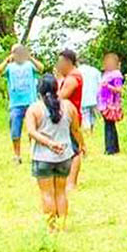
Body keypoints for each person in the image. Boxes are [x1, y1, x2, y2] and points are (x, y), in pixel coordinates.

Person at [24, 74, 86, 232]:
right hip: (64, 156)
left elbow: (31, 132)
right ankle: (63, 225)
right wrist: (82, 145)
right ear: (57, 88)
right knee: (61, 192)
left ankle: (51, 228)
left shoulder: (34, 109)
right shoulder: (68, 106)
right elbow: (76, 130)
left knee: (47, 193)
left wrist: (49, 143)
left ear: (39, 90)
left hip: (42, 157)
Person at [0, 44, 43, 164]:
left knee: (33, 129)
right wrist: (7, 59)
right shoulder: (10, 67)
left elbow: (41, 68)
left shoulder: (29, 65)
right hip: (16, 104)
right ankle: (17, 155)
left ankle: (34, 154)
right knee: (15, 130)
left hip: (31, 102)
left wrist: (30, 57)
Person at [55, 49, 86, 191]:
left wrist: (59, 80)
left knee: (75, 150)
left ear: (68, 62)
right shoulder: (69, 76)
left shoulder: (73, 77)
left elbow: (61, 96)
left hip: (70, 117)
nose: (58, 65)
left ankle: (71, 182)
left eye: (61, 62)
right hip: (66, 117)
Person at [99, 53, 124, 155]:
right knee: (109, 126)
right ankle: (113, 148)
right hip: (104, 103)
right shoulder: (106, 74)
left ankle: (110, 149)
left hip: (111, 105)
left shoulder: (116, 75)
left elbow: (119, 89)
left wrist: (108, 86)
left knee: (109, 126)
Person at [77, 61, 102, 132]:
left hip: (83, 98)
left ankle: (88, 133)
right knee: (94, 116)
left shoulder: (77, 72)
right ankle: (92, 131)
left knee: (85, 117)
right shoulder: (95, 70)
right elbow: (100, 84)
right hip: (95, 98)